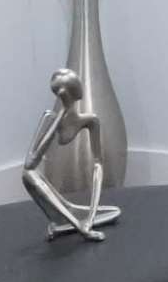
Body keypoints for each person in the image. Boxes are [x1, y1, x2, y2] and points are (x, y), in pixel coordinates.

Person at [22, 66, 122, 242]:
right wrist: (60, 116)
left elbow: (98, 164)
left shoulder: (91, 121)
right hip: (35, 179)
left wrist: (92, 212)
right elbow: (30, 163)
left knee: (114, 212)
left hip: (72, 207)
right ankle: (79, 227)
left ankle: (70, 221)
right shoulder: (50, 118)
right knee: (28, 175)